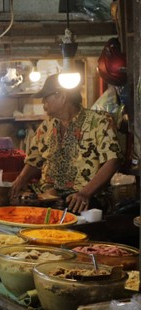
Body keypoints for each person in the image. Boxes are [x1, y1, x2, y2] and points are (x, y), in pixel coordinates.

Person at [10, 73, 122, 213]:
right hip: (47, 195)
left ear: (62, 96)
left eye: (46, 98)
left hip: (83, 197)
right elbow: (35, 159)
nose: (43, 103)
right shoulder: (47, 126)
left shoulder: (99, 121)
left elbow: (113, 160)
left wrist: (85, 193)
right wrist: (21, 178)